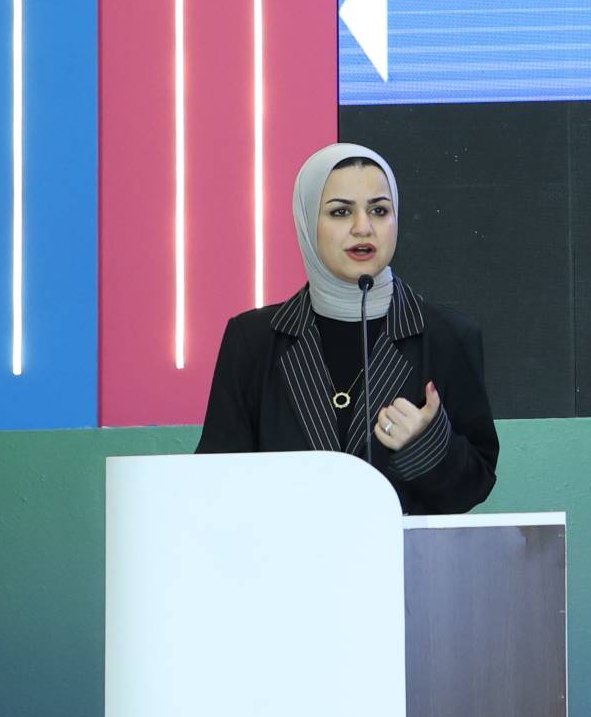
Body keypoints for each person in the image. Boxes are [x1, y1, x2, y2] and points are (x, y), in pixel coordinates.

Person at [197, 142, 498, 515]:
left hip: (401, 553)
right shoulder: (253, 341)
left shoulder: (447, 336)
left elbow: (473, 487)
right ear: (308, 221)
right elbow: (215, 482)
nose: (363, 228)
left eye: (379, 210)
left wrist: (425, 444)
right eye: (341, 212)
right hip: (284, 551)